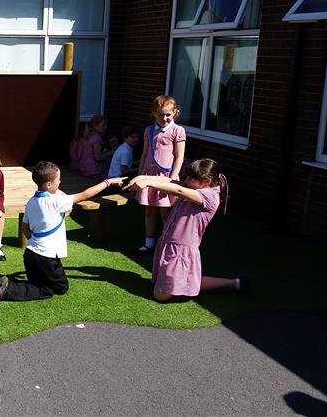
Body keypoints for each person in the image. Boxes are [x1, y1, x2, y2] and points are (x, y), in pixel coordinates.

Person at [0, 162, 125, 305]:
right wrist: (108, 182)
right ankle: (9, 289)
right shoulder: (56, 201)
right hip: (47, 258)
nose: (60, 182)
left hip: (30, 254)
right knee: (57, 288)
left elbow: (25, 228)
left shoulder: (31, 202)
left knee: (37, 283)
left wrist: (34, 242)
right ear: (48, 184)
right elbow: (85, 194)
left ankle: (9, 284)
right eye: (58, 179)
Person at [123, 158, 247, 301]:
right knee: (179, 282)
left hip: (181, 249)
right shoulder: (194, 187)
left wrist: (148, 183)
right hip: (170, 242)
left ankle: (192, 287)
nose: (186, 180)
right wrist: (143, 177)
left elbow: (178, 190)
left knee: (160, 296)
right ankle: (235, 283)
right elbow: (171, 182)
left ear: (206, 181)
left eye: (191, 178)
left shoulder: (210, 197)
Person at [135, 95, 186, 254]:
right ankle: (149, 242)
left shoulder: (178, 131)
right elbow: (144, 154)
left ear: (175, 113)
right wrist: (140, 175)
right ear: (153, 114)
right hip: (148, 176)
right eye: (160, 114)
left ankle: (166, 243)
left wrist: (172, 180)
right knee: (149, 210)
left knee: (166, 211)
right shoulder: (149, 130)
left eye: (168, 114)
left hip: (166, 177)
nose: (164, 118)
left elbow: (180, 157)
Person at [77, 114, 114, 178]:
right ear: (95, 126)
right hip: (92, 169)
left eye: (106, 125)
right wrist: (112, 151)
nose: (106, 127)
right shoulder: (97, 139)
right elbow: (98, 158)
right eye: (103, 126)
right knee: (111, 159)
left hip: (83, 167)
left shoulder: (88, 135)